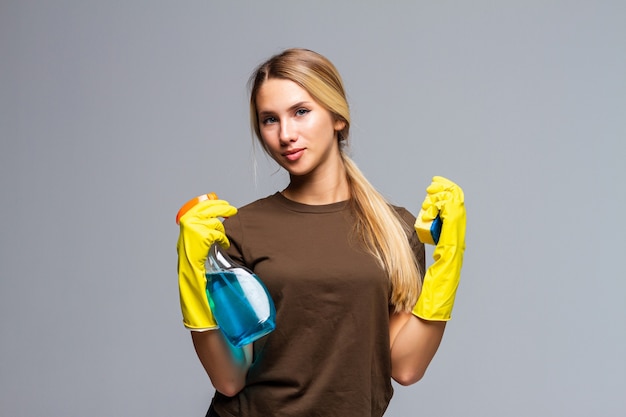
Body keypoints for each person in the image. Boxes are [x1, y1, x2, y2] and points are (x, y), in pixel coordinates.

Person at [176, 48, 466, 417]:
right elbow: (230, 378)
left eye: (301, 112)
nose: (285, 134)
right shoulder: (239, 230)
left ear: (337, 117)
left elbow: (406, 368)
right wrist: (192, 276)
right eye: (269, 120)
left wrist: (449, 264)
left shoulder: (395, 231)